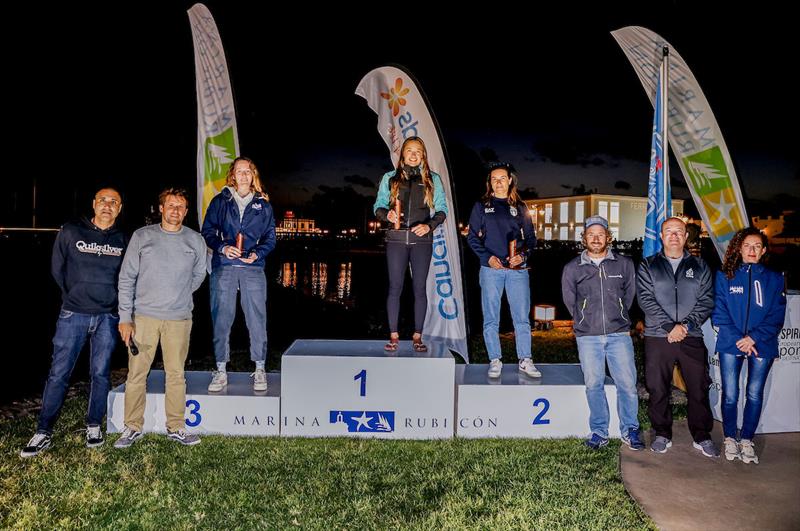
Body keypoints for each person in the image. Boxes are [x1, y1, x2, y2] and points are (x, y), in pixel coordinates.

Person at [21, 188, 127, 457]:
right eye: (102, 200)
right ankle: (43, 430)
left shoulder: (124, 238)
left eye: (113, 202)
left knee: (101, 373)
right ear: (93, 204)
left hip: (107, 315)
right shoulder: (71, 230)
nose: (107, 205)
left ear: (120, 208)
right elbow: (57, 268)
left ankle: (94, 424)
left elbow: (128, 277)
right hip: (73, 314)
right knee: (59, 373)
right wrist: (74, 295)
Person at [114, 188, 207, 448]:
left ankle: (176, 427)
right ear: (161, 209)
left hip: (179, 319)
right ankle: (132, 427)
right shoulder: (142, 237)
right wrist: (125, 316)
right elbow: (126, 278)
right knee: (136, 374)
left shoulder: (195, 240)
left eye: (181, 207)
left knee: (176, 374)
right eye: (171, 206)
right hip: (143, 318)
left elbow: (199, 276)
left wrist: (177, 293)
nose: (176, 210)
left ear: (186, 212)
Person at [561, 215, 644, 450]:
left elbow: (629, 296)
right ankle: (599, 431)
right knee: (593, 384)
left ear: (608, 237)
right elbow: (570, 302)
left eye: (600, 234)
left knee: (627, 384)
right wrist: (585, 319)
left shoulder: (624, 264)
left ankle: (630, 430)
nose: (596, 238)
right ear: (584, 238)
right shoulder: (572, 268)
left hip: (619, 335)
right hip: (588, 336)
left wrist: (618, 315)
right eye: (591, 234)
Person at [637, 217, 716, 457]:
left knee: (699, 387)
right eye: (668, 231)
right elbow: (645, 299)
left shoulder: (700, 266)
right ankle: (662, 433)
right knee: (657, 387)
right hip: (657, 336)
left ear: (686, 236)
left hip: (691, 336)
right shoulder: (648, 265)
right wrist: (670, 326)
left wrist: (685, 325)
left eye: (678, 232)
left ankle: (701, 435)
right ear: (661, 236)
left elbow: (706, 300)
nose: (673, 236)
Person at [712, 227, 786, 464]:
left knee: (754, 394)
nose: (752, 250)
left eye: (757, 246)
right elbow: (719, 313)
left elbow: (776, 315)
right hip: (731, 343)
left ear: (763, 250)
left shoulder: (775, 279)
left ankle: (746, 439)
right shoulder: (725, 276)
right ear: (739, 248)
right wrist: (739, 339)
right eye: (747, 245)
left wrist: (753, 337)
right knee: (731, 394)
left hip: (761, 344)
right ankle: (730, 438)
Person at [202, 157, 276, 393]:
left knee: (257, 319)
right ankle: (221, 370)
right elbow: (207, 231)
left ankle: (260, 369)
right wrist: (223, 247)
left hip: (253, 268)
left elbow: (270, 239)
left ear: (253, 175)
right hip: (224, 266)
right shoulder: (220, 201)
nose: (243, 175)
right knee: (222, 318)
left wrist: (256, 254)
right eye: (239, 171)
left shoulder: (263, 205)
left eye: (248, 171)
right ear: (232, 175)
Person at [373, 136, 447, 352]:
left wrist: (429, 225)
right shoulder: (390, 178)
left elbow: (442, 209)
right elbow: (377, 206)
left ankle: (417, 336)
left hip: (421, 241)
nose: (413, 154)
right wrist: (388, 214)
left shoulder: (433, 179)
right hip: (396, 240)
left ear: (423, 155)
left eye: (418, 151)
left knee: (419, 288)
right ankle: (393, 336)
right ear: (402, 154)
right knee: (395, 287)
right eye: (409, 150)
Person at [467, 162, 540, 378]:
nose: (498, 182)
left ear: (510, 180)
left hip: (517, 271)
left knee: (521, 318)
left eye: (502, 178)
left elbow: (531, 239)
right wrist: (487, 257)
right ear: (489, 182)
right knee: (491, 318)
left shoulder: (520, 206)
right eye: (494, 179)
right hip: (491, 270)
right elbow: (472, 237)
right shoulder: (481, 205)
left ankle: (525, 359)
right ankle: (495, 360)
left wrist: (522, 256)